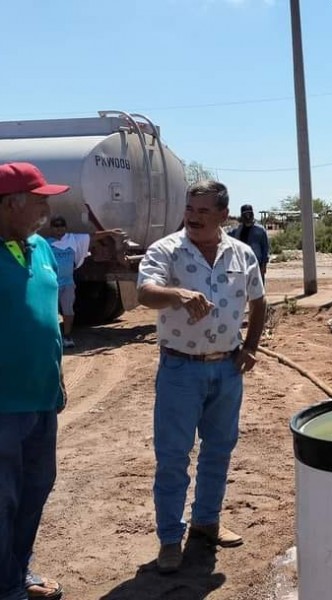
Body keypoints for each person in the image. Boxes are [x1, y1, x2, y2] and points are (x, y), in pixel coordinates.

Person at [137, 180, 267, 574]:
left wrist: (251, 347)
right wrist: (178, 295)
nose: (192, 217)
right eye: (190, 210)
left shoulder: (243, 254)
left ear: (223, 215)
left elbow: (259, 302)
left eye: (203, 211)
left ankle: (207, 523)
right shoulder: (167, 250)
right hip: (180, 368)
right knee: (173, 456)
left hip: (227, 369)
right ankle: (170, 540)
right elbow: (145, 292)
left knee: (219, 449)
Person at [0, 162, 70, 600]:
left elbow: (50, 321)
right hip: (3, 405)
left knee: (35, 489)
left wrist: (57, 378)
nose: (48, 207)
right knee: (2, 500)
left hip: (42, 398)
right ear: (11, 204)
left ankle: (16, 572)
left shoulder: (40, 247)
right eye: (39, 198)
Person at [46, 217, 122, 348]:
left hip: (68, 283)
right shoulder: (46, 243)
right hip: (51, 283)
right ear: (51, 229)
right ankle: (51, 336)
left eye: (61, 226)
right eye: (56, 226)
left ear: (65, 228)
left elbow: (92, 236)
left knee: (68, 311)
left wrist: (109, 232)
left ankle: (67, 336)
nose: (59, 229)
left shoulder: (73, 240)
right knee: (50, 311)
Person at [228, 204, 269, 280]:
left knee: (257, 289)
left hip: (256, 264)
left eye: (249, 214)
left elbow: (265, 248)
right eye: (245, 214)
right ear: (241, 216)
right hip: (240, 264)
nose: (248, 217)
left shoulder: (260, 230)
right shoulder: (236, 230)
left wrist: (264, 265)